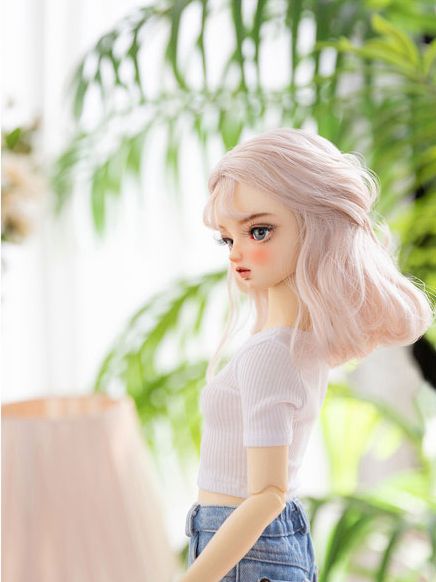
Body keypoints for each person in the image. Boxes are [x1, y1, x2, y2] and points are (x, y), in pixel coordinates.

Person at [180, 127, 433, 582]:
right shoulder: (297, 342)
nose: (237, 253)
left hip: (243, 547)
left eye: (259, 231)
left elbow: (267, 494)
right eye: (228, 239)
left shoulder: (272, 352)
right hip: (259, 543)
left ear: (315, 224)